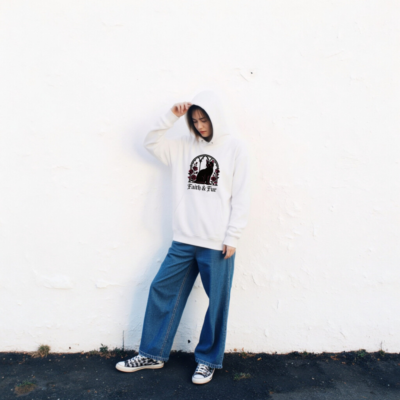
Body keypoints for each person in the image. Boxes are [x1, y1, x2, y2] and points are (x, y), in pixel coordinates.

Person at [115, 90, 251, 385]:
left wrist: (233, 236)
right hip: (184, 239)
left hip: (217, 242)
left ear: (216, 118)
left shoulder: (236, 147)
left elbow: (242, 196)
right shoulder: (182, 147)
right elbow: (150, 143)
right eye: (195, 121)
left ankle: (207, 361)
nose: (200, 126)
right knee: (161, 289)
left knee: (217, 303)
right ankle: (152, 354)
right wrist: (171, 116)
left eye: (205, 120)